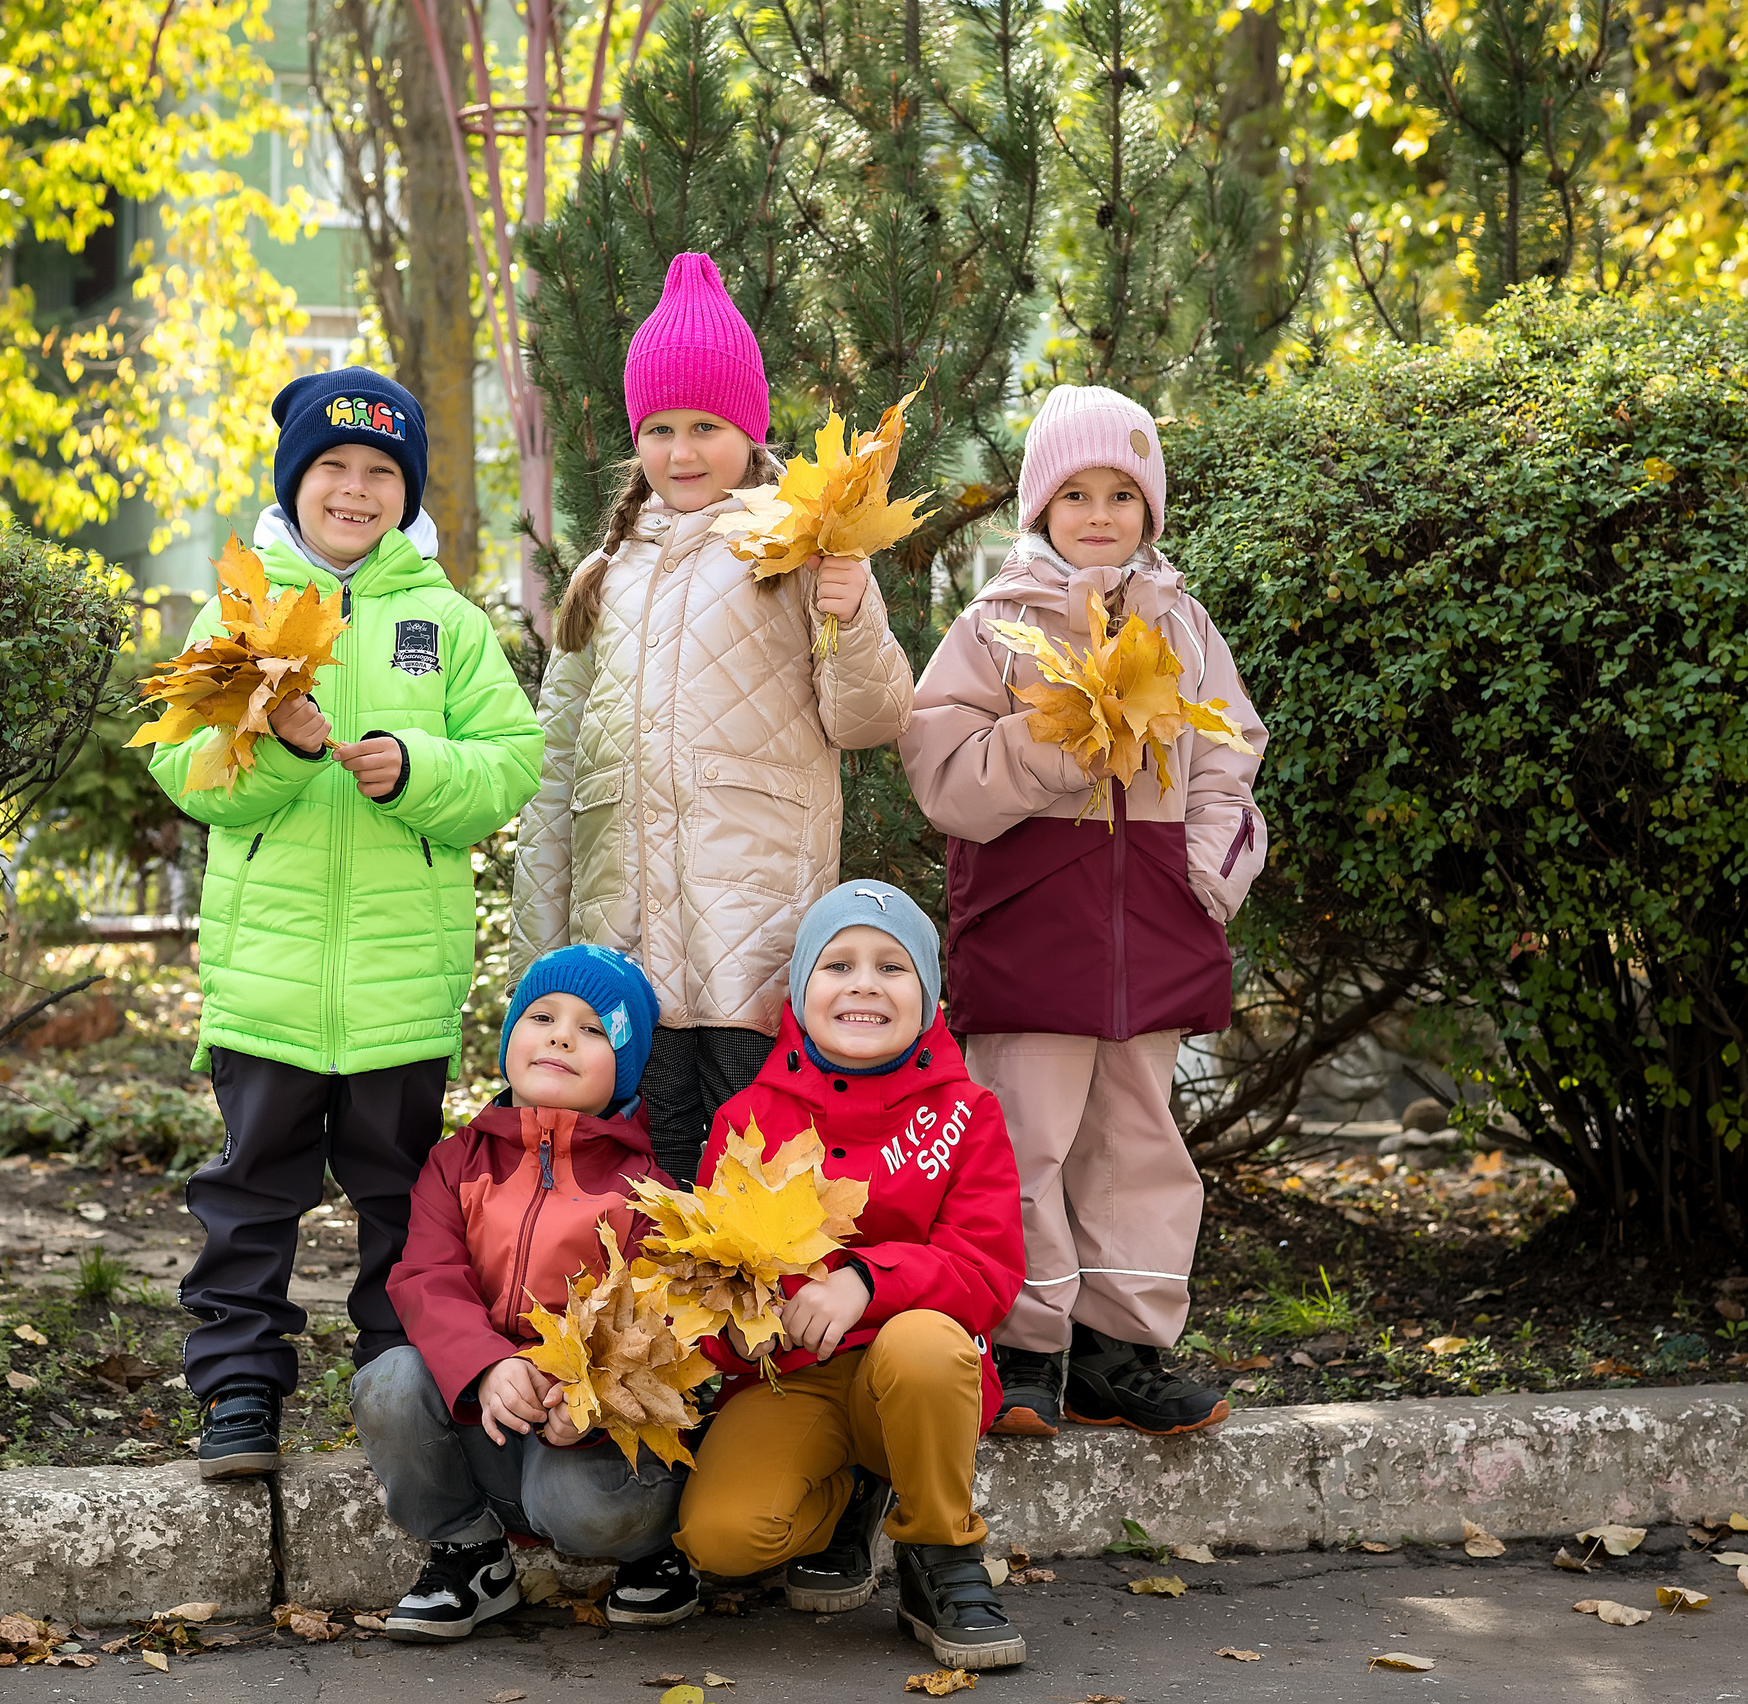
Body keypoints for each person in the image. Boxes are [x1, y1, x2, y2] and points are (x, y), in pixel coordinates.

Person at [148, 366, 543, 1478]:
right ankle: (237, 1391)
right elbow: (190, 772)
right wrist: (286, 746)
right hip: (264, 980)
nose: (357, 490)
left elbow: (510, 764)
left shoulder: (447, 622)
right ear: (297, 479)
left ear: (406, 492)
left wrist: (414, 769)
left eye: (381, 472)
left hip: (400, 984)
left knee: (402, 1196)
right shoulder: (235, 616)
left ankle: (398, 1385)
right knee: (248, 1195)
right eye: (334, 468)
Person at [900, 383, 1268, 1438]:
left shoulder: (1185, 626)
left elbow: (1227, 756)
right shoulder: (993, 628)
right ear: (1039, 507)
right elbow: (944, 772)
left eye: (1122, 493)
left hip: (1155, 918)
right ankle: (1023, 1347)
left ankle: (1123, 1346)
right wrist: (1053, 749)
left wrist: (1208, 868)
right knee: (1022, 1141)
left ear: (1150, 510)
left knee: (1139, 1141)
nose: (1099, 513)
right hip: (1031, 918)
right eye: (1075, 493)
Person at [513, 251, 915, 1186]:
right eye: (658, 428)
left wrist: (851, 614)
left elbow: (871, 716)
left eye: (706, 426)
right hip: (624, 944)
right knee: (644, 1169)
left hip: (754, 936)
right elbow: (556, 773)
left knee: (751, 1169)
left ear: (750, 429)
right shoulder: (601, 580)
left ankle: (752, 1335)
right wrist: (542, 955)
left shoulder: (797, 552)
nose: (681, 452)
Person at [672, 883, 1029, 1673]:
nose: (864, 983)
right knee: (722, 1539)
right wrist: (742, 1324)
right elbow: (714, 1275)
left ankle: (941, 1553)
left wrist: (866, 1281)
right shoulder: (745, 1122)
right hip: (794, 1378)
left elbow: (988, 1269)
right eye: (838, 964)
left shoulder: (967, 1114)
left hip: (915, 1370)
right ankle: (854, 1493)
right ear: (801, 990)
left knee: (928, 1346)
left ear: (928, 996)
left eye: (892, 967)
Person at [354, 944, 701, 1641]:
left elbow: (650, 1321)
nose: (562, 1034)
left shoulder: (650, 1188)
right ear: (511, 1037)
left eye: (595, 1028)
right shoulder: (457, 1164)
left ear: (626, 1068)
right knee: (388, 1382)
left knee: (581, 1508)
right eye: (541, 1015)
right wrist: (485, 1364)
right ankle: (469, 1551)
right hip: (481, 1408)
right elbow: (428, 1278)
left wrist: (582, 1391)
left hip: (584, 1434)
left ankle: (650, 1553)